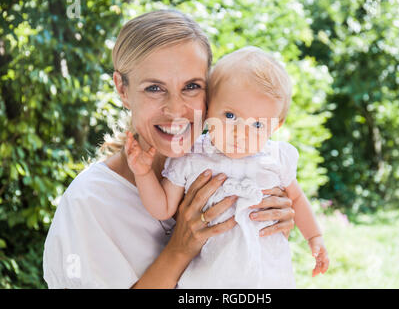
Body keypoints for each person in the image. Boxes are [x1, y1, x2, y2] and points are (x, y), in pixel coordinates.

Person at [42, 10, 297, 289]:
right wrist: (180, 248)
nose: (176, 109)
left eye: (191, 86)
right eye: (154, 88)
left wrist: (273, 226)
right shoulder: (90, 201)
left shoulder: (233, 168)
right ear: (122, 89)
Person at [125, 46, 329, 288]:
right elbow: (162, 208)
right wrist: (143, 173)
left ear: (276, 125)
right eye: (230, 116)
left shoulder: (275, 157)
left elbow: (295, 198)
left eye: (257, 125)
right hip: (209, 280)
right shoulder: (192, 157)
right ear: (209, 107)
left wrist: (314, 237)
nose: (240, 133)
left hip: (269, 278)